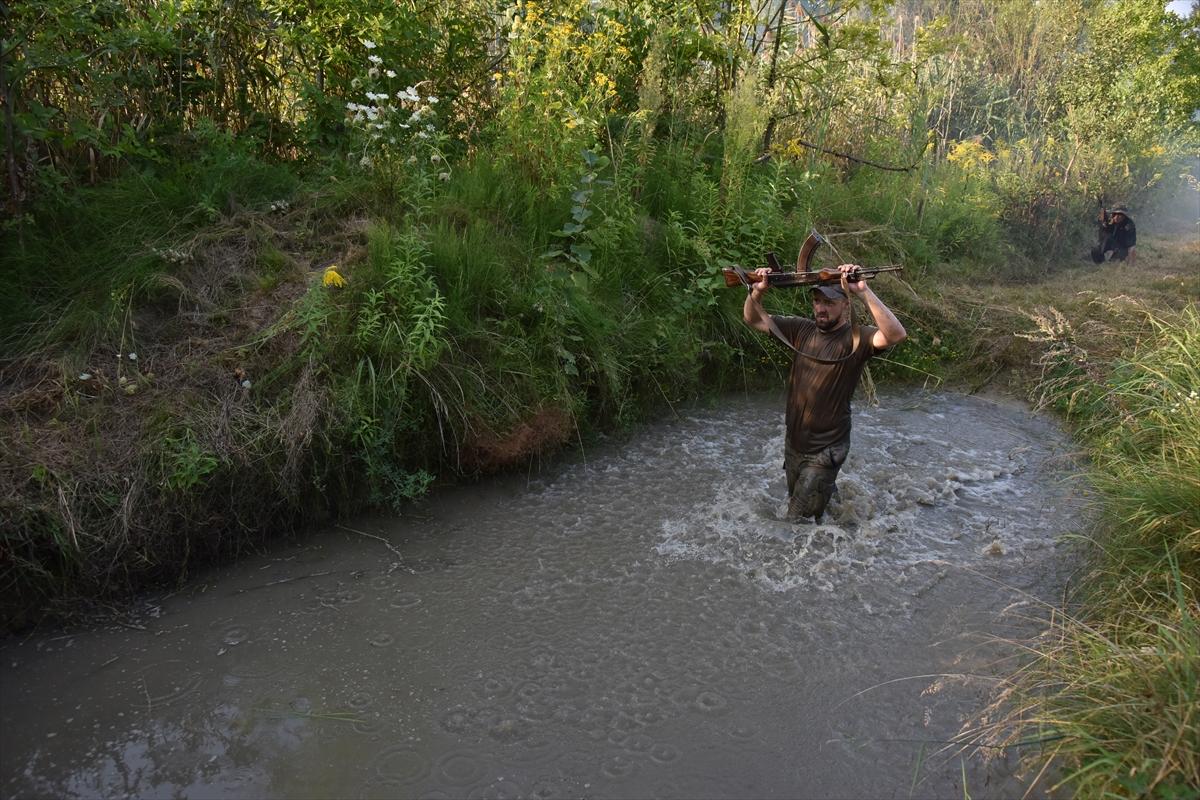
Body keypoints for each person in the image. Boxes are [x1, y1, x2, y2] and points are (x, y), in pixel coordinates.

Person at [743, 264, 907, 522]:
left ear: (845, 305)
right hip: (794, 444)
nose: (821, 308)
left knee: (796, 521)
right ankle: (842, 516)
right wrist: (758, 291)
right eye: (817, 301)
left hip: (826, 448)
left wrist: (862, 291)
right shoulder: (801, 330)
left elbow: (895, 335)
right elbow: (753, 319)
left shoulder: (857, 338)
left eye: (829, 302)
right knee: (809, 513)